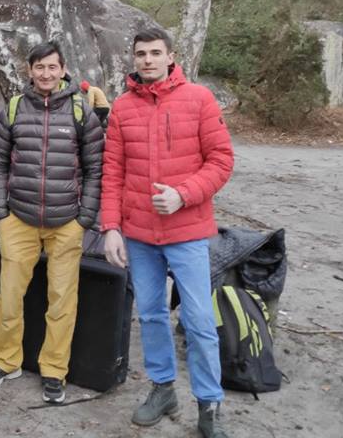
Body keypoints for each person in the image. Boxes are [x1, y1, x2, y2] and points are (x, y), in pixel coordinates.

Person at [101, 26, 235, 438]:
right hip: (139, 236)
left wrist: (183, 194)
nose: (147, 60)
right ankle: (162, 389)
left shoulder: (198, 99)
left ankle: (209, 404)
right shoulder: (122, 107)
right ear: (134, 59)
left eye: (155, 53)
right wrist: (110, 228)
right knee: (153, 316)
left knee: (197, 320)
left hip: (188, 232)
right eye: (141, 53)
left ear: (170, 56)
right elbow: (113, 172)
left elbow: (222, 160)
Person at [0, 41, 104, 404]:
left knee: (62, 299)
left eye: (52, 67)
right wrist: (0, 209)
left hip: (67, 221)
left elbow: (96, 168)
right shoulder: (15, 108)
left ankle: (54, 370)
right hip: (19, 217)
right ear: (29, 71)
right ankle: (6, 360)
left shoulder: (82, 111)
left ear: (63, 69)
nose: (46, 74)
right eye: (39, 68)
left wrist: (85, 217)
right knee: (9, 297)